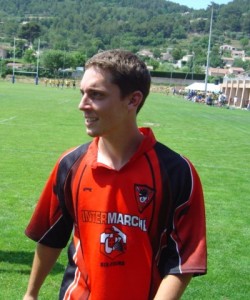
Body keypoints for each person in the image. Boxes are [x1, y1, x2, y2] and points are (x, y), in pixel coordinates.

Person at [23, 49, 207, 300]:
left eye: (96, 95)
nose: (82, 105)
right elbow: (50, 236)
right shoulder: (71, 164)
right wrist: (30, 294)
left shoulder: (176, 172)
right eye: (82, 93)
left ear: (133, 100)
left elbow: (181, 262)